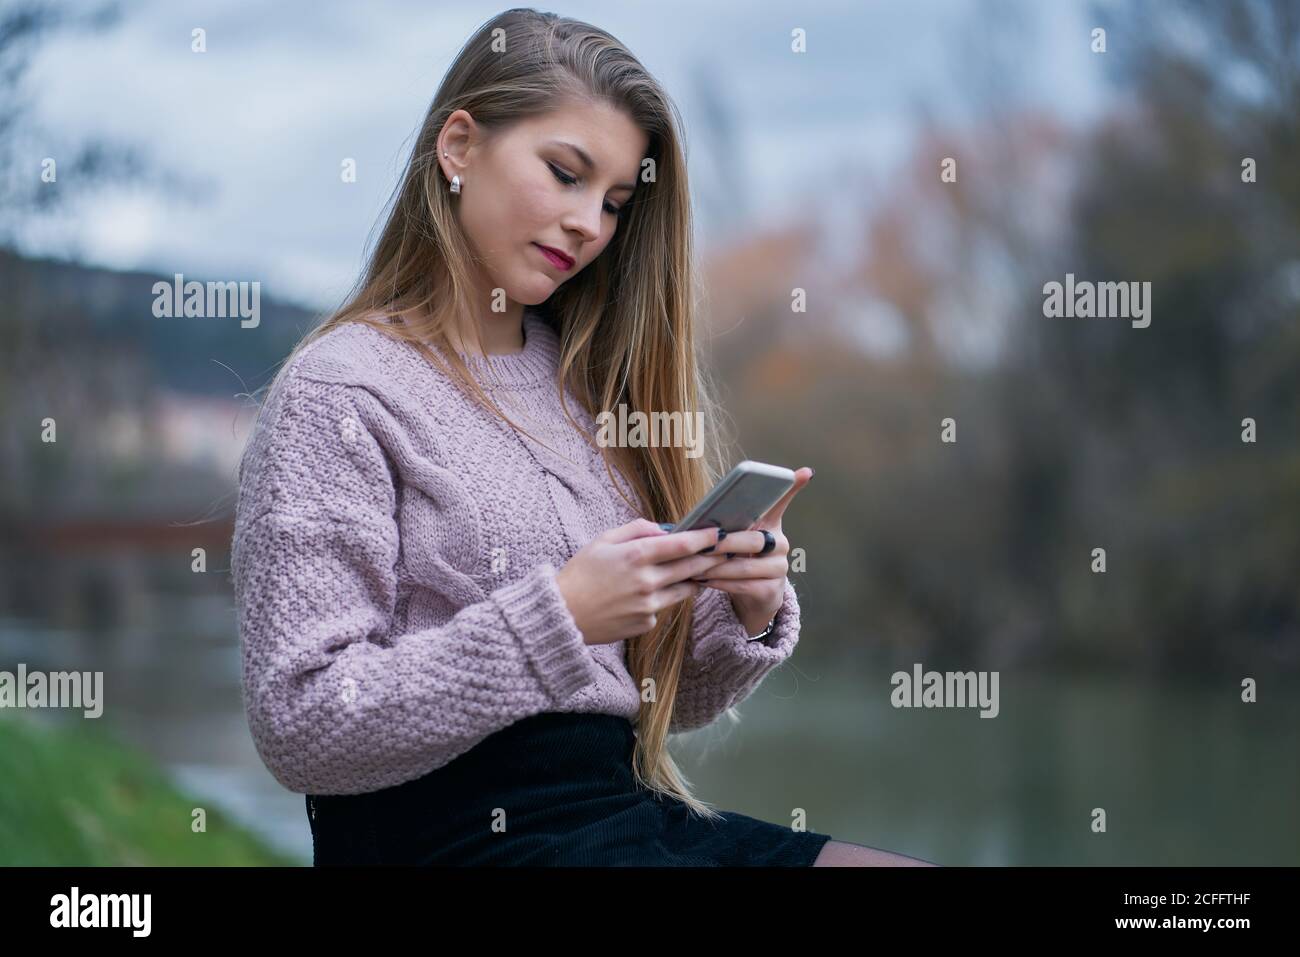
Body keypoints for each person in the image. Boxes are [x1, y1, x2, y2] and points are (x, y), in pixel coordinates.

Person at [231, 7, 934, 867]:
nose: (589, 225)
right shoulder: (339, 389)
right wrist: (559, 613)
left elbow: (659, 701)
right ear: (458, 146)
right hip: (444, 842)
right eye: (565, 174)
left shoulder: (590, 389)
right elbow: (302, 723)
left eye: (613, 202)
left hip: (622, 816)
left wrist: (740, 612)